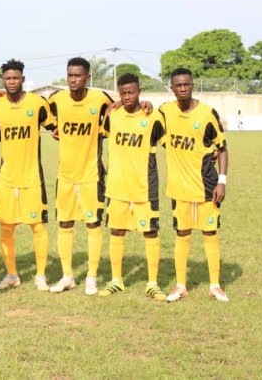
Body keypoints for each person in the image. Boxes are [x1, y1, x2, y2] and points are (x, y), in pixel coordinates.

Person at [160, 68, 229, 302]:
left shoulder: (207, 113)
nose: (182, 88)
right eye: (178, 85)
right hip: (179, 188)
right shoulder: (165, 111)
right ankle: (180, 286)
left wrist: (222, 181)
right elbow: (146, 119)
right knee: (182, 234)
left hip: (206, 186)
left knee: (210, 232)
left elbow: (222, 148)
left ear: (192, 85)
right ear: (172, 88)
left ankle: (215, 286)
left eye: (186, 84)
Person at [47, 57, 113, 295]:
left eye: (77, 75)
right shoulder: (56, 99)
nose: (73, 79)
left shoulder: (101, 99)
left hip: (91, 175)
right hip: (65, 175)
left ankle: (91, 278)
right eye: (70, 75)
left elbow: (121, 108)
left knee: (93, 224)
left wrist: (143, 103)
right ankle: (67, 276)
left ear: (88, 77)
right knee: (64, 223)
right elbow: (39, 114)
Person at [0, 59, 57, 291]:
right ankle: (12, 275)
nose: (11, 82)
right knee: (6, 228)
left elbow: (56, 126)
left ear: (23, 79)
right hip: (7, 178)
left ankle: (40, 275)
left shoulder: (37, 104)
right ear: (3, 80)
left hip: (32, 178)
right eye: (8, 78)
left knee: (37, 226)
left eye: (15, 78)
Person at [98, 74, 166, 300]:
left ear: (139, 92)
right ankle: (116, 280)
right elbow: (98, 133)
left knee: (150, 231)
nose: (127, 96)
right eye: (123, 93)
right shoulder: (112, 115)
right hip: (117, 186)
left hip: (145, 187)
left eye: (131, 92)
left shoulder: (153, 116)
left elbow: (170, 142)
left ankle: (153, 283)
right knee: (117, 230)